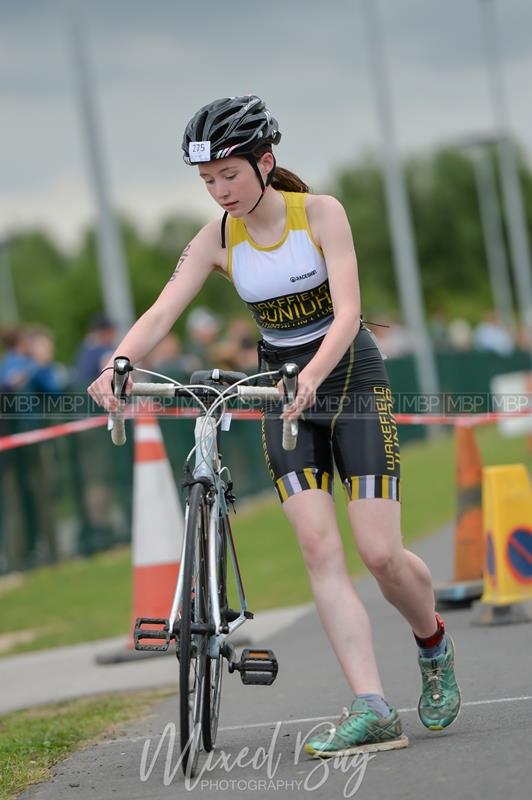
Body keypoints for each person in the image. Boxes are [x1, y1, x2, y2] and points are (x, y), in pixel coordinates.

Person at [88, 95, 461, 757]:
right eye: (207, 181)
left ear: (266, 162)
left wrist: (313, 373)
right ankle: (372, 706)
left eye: (229, 174)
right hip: (277, 391)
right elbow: (162, 311)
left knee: (380, 554)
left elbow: (348, 313)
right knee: (320, 551)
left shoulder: (319, 213)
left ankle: (432, 642)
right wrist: (119, 362)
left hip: (348, 381)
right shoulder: (217, 238)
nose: (220, 191)